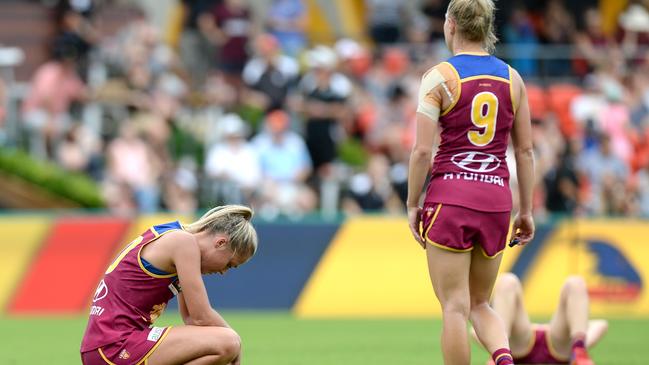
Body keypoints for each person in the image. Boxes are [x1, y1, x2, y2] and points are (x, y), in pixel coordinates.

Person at [406, 0, 535, 364]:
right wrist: (526, 210)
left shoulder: (439, 77)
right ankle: (505, 360)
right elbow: (525, 152)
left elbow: (421, 152)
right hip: (496, 198)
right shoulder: (513, 79)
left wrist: (412, 203)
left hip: (451, 196)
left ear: (450, 24)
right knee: (481, 303)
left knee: (455, 308)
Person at [80, 205, 258, 365]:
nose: (223, 272)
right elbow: (200, 317)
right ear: (221, 243)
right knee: (228, 342)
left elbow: (189, 317)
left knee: (225, 342)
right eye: (229, 264)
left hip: (104, 345)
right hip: (115, 346)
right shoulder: (183, 243)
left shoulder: (174, 234)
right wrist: (237, 342)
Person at [475, 273, 607, 365]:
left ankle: (579, 351)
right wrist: (576, 325)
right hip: (527, 345)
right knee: (507, 281)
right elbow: (600, 324)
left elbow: (475, 332)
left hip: (545, 346)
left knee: (575, 283)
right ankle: (499, 352)